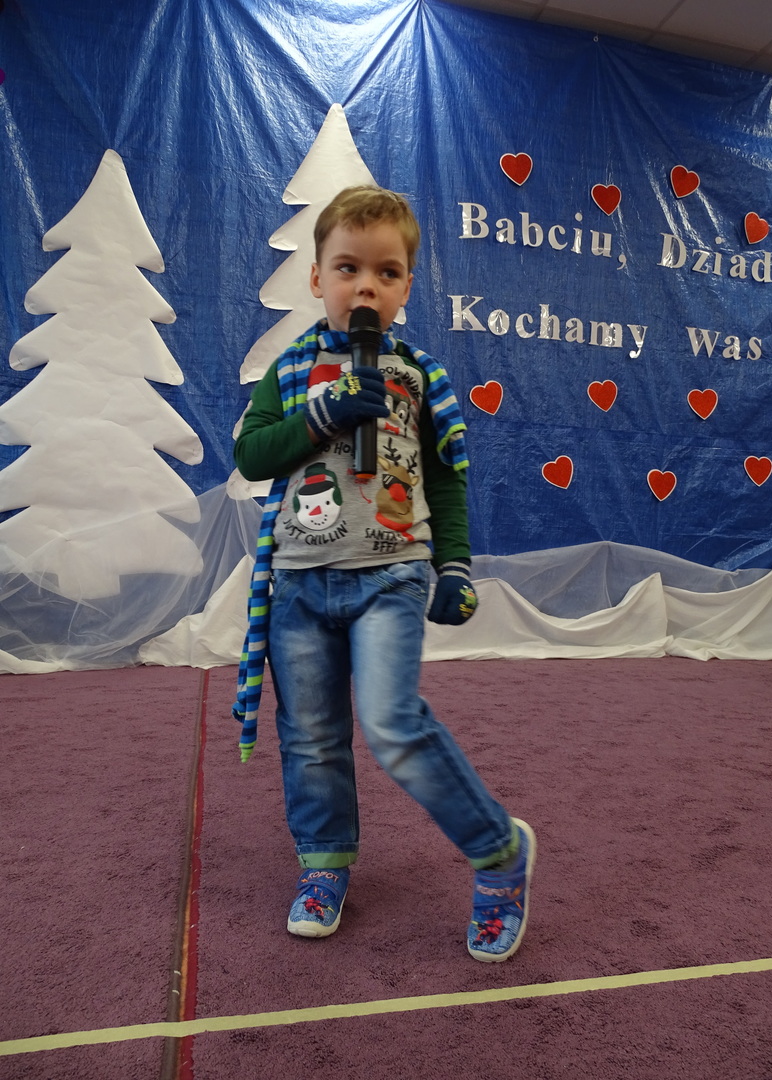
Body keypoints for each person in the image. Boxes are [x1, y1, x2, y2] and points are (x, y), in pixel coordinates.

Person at [233, 185, 535, 962]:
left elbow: (447, 479)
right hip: (300, 583)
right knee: (310, 737)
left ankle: (500, 851)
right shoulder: (291, 370)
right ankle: (324, 864)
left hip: (390, 576)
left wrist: (454, 567)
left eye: (386, 272)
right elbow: (252, 455)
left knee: (393, 724)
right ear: (317, 278)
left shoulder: (420, 376)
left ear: (406, 287)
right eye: (348, 268)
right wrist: (323, 415)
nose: (365, 286)